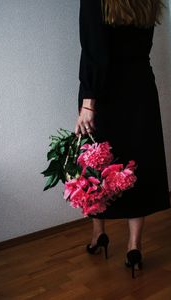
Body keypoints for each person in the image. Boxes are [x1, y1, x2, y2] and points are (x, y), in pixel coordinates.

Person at [75, 0, 170, 278]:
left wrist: (88, 102)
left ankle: (99, 236)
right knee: (134, 163)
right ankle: (134, 247)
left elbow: (94, 50)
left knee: (96, 165)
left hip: (104, 92)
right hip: (141, 85)